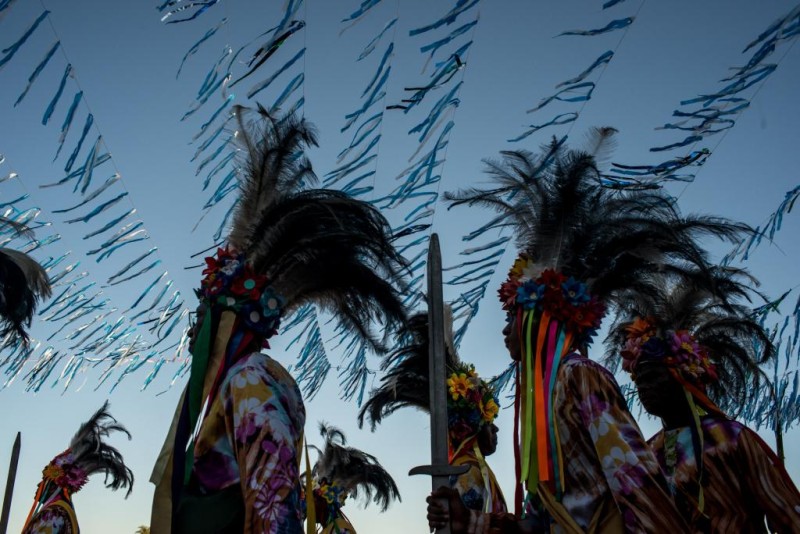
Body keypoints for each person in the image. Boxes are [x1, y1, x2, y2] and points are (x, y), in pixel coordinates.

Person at [429, 131, 746, 533]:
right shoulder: (543, 400)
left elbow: (639, 488)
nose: (506, 330)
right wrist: (469, 521)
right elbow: (547, 523)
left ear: (541, 317)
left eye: (512, 317)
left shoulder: (580, 376)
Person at [149, 106, 408, 533]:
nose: (194, 333)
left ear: (223, 321)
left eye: (202, 320)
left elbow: (274, 511)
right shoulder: (239, 384)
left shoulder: (250, 381)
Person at [609, 267, 800, 532]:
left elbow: (788, 513)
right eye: (639, 379)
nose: (644, 386)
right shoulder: (649, 452)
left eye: (653, 376)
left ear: (684, 377)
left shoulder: (731, 438)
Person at [359, 311, 507, 515]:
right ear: (469, 428)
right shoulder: (468, 471)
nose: (496, 428)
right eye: (488, 421)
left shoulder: (469, 468)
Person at [22, 402, 134, 534]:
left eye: (45, 480)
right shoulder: (63, 512)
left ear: (56, 484)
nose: (39, 484)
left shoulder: (54, 514)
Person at [306, 423, 401, 533]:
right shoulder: (331, 529)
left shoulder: (340, 530)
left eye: (311, 501)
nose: (307, 506)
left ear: (324, 502)